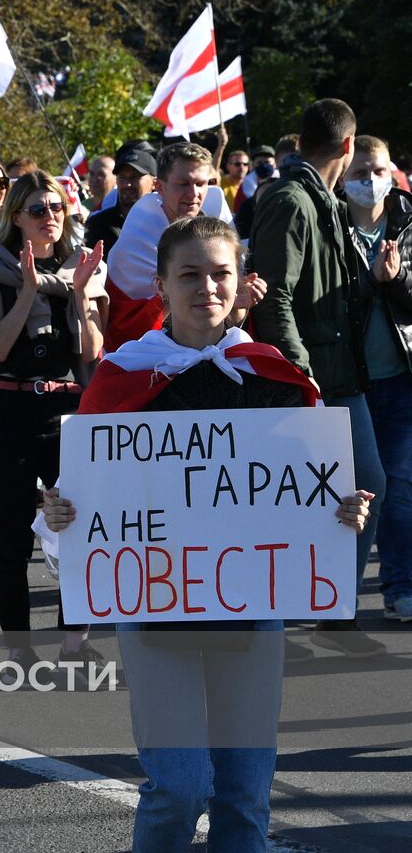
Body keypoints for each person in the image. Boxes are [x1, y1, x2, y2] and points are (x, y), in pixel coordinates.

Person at [42, 215, 372, 853]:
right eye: (188, 275)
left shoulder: (273, 375)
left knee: (245, 797)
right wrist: (61, 517)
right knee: (181, 786)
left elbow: (309, 491)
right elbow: (85, 500)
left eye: (220, 274)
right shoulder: (120, 378)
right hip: (155, 610)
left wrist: (340, 514)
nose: (206, 288)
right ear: (161, 285)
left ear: (241, 281)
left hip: (254, 614)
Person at [249, 98, 388, 658]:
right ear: (349, 146)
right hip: (313, 379)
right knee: (340, 489)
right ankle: (299, 614)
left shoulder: (316, 199)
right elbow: (275, 294)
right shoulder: (291, 197)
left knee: (343, 492)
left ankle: (328, 611)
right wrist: (300, 376)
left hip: (333, 375)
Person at [0, 171, 107, 675]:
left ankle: (73, 641)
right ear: (15, 216)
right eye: (38, 209)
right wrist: (27, 290)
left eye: (58, 208)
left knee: (81, 528)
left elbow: (91, 351)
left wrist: (81, 295)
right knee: (13, 535)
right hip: (9, 413)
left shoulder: (80, 266)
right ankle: (19, 650)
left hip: (66, 415)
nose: (50, 218)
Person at [340, 135, 412, 625]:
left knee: (402, 485)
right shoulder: (331, 223)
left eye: (379, 171)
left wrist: (398, 278)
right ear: (344, 175)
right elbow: (326, 299)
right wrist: (370, 282)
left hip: (401, 377)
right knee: (358, 489)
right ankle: (333, 587)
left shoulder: (409, 222)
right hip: (349, 381)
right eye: (361, 172)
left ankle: (400, 587)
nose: (371, 181)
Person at [104, 143, 254, 351]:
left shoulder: (221, 231)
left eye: (201, 183)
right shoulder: (133, 248)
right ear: (160, 186)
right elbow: (124, 325)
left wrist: (240, 304)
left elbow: (232, 317)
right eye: (183, 183)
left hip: (216, 352)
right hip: (153, 359)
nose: (194, 193)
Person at [85, 146, 156, 255]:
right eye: (122, 177)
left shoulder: (166, 224)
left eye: (134, 177)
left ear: (154, 183)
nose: (127, 184)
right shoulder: (97, 225)